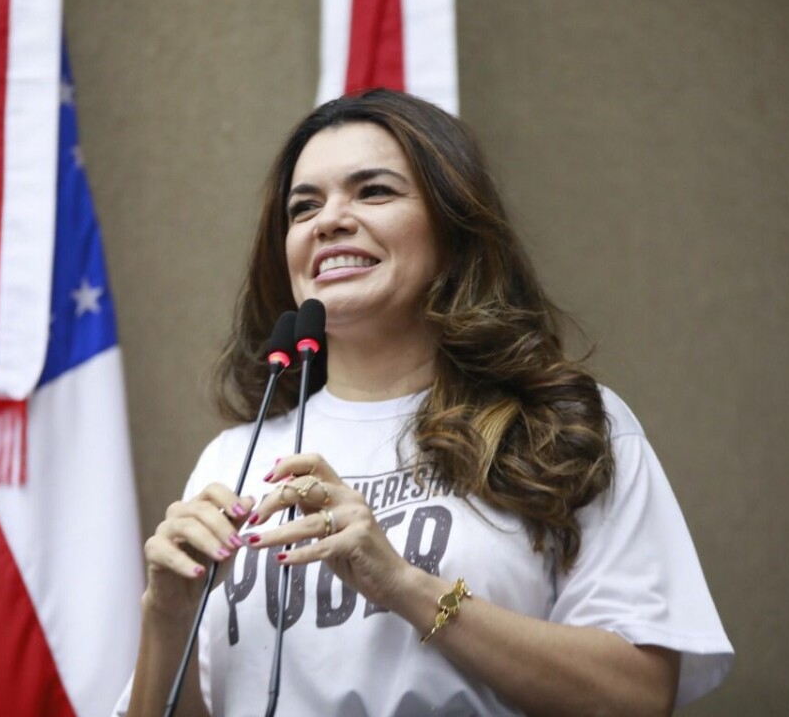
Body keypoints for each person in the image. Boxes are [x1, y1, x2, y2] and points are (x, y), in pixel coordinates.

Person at [116, 89, 733, 716]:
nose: (329, 219)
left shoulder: (562, 426)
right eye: (304, 207)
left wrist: (404, 584)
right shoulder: (233, 461)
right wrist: (167, 614)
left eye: (373, 191)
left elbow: (637, 697)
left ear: (454, 228)